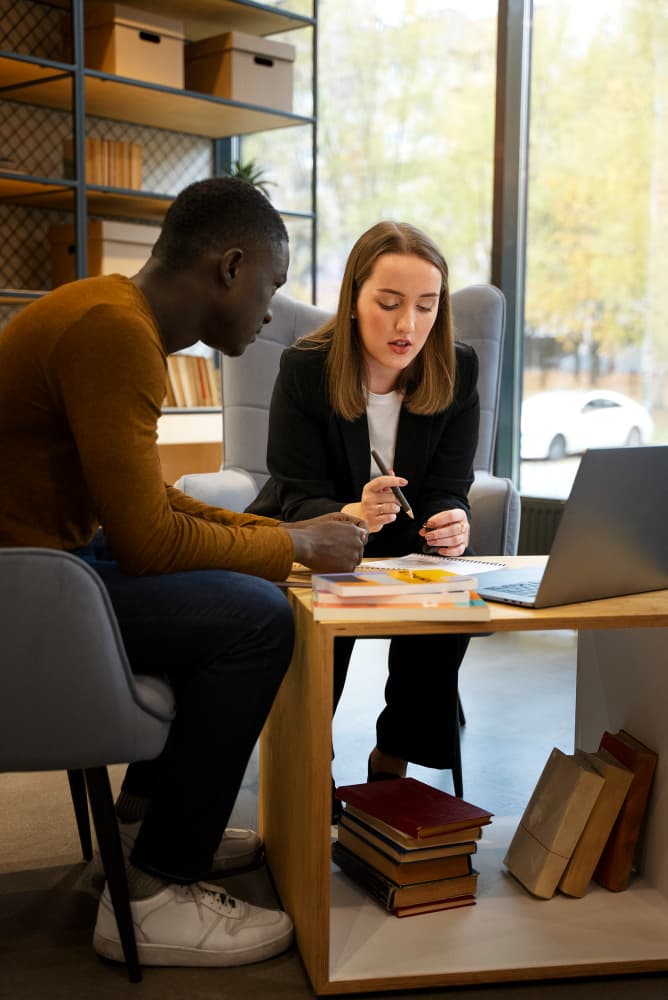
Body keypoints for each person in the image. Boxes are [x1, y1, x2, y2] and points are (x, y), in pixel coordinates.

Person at [0, 177, 366, 967]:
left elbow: (149, 504)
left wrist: (281, 533)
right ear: (230, 267)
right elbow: (148, 544)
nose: (271, 310)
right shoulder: (115, 334)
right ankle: (156, 890)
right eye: (270, 283)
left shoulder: (109, 309)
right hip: (22, 589)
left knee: (250, 585)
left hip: (40, 565)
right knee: (256, 620)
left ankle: (139, 826)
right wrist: (295, 551)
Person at [249, 220, 479, 807]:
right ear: (354, 300)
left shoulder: (458, 368)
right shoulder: (305, 368)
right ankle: (312, 751)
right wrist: (352, 513)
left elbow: (452, 485)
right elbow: (296, 492)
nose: (409, 326)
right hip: (316, 532)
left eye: (427, 306)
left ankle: (394, 752)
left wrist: (454, 520)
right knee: (325, 598)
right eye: (389, 303)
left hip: (407, 542)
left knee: (452, 600)